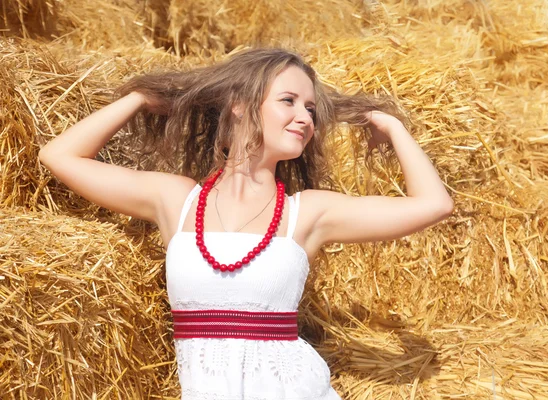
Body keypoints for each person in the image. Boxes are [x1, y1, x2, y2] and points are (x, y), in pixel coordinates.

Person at [38, 48, 454, 400]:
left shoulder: (305, 213)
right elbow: (59, 157)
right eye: (288, 101)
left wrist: (393, 127)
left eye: (311, 108)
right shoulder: (177, 202)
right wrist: (139, 100)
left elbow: (433, 205)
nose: (305, 118)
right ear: (239, 103)